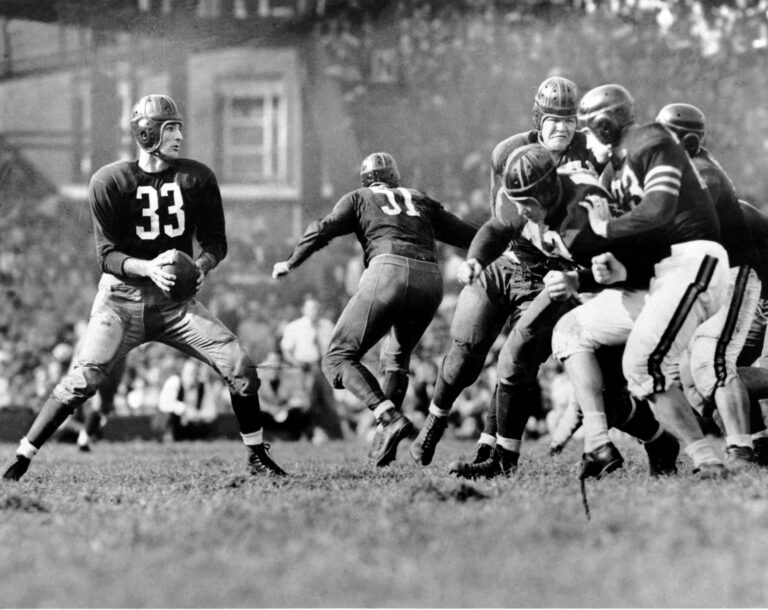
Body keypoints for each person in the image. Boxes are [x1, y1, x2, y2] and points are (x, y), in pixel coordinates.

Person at [2, 94, 286, 481]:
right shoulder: (110, 180)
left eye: (179, 127)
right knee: (83, 380)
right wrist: (149, 267)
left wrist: (202, 266)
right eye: (170, 128)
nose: (178, 135)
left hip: (175, 302)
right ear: (147, 131)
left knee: (239, 366)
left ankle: (256, 455)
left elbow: (216, 242)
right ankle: (21, 458)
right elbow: (106, 256)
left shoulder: (197, 177)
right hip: (121, 299)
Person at [447, 144, 676, 479]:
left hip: (631, 288)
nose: (521, 211)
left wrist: (577, 279)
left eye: (527, 204)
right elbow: (498, 227)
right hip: (573, 282)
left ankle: (662, 442)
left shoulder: (584, 220)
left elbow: (633, 268)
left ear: (549, 195)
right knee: (515, 354)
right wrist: (475, 259)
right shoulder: (528, 197)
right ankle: (503, 460)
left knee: (608, 398)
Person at [409, 76, 602, 469]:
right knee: (464, 352)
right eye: (553, 119)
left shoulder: (593, 155)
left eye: (569, 119)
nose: (562, 127)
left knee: (517, 360)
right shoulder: (512, 153)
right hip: (511, 261)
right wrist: (477, 259)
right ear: (538, 118)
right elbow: (501, 222)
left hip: (555, 275)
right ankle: (436, 417)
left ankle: (492, 446)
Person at [556, 83, 730, 479]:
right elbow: (641, 243)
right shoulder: (611, 172)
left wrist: (605, 227)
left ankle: (709, 462)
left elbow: (659, 211)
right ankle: (599, 443)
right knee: (571, 329)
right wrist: (609, 272)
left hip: (692, 261)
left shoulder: (649, 138)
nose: (588, 139)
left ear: (603, 124)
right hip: (658, 277)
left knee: (644, 364)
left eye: (589, 128)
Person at [272, 151, 476, 466]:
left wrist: (291, 260)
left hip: (388, 271)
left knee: (337, 358)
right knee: (396, 360)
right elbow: (465, 233)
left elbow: (323, 227)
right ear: (395, 177)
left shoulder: (359, 197)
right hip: (430, 279)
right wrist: (502, 249)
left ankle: (389, 417)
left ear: (366, 179)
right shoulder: (418, 198)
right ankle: (385, 447)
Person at [656, 103, 763, 468]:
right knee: (695, 381)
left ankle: (740, 449)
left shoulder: (704, 175)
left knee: (711, 360)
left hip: (735, 274)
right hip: (708, 279)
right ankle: (758, 441)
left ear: (685, 141)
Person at [280, 295, 345, 443]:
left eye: (316, 308)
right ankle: (304, 434)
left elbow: (335, 347)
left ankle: (334, 435)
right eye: (311, 308)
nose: (314, 311)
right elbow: (286, 351)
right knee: (306, 402)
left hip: (323, 368)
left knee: (328, 402)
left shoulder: (327, 326)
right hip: (303, 369)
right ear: (304, 309)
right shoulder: (294, 327)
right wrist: (297, 363)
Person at [157, 357, 218, 441]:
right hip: (175, 423)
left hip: (194, 423)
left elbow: (211, 413)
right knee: (168, 417)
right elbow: (164, 405)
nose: (192, 376)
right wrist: (185, 410)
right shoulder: (174, 381)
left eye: (194, 373)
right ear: (182, 372)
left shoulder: (203, 386)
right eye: (189, 373)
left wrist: (196, 415)